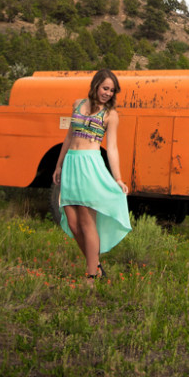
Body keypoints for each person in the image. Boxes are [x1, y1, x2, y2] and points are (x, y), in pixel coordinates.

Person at [53, 69, 131, 283]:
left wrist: (118, 178)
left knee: (87, 222)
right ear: (96, 85)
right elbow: (69, 136)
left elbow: (112, 148)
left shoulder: (110, 115)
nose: (108, 93)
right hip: (71, 164)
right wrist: (59, 165)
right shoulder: (77, 104)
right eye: (105, 88)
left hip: (90, 166)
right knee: (72, 222)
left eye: (112, 90)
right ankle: (95, 264)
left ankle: (90, 276)